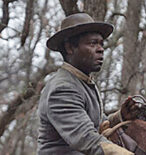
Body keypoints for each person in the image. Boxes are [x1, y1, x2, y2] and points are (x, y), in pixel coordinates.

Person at [37, 13, 140, 155]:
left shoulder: (83, 83)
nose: (100, 49)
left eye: (101, 43)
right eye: (92, 43)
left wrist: (120, 117)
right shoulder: (62, 89)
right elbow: (86, 138)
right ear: (69, 48)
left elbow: (98, 125)